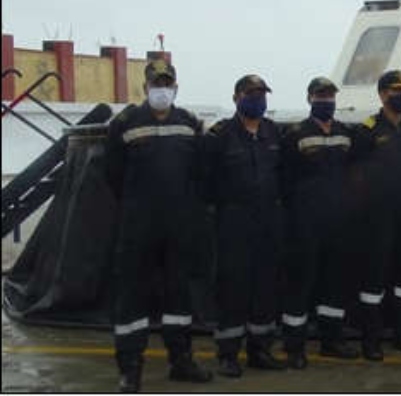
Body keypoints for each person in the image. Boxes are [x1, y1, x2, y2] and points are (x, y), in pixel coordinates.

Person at [105, 59, 212, 392]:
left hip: (179, 226)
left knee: (179, 295)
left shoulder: (190, 124)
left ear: (175, 88)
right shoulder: (123, 124)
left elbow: (199, 173)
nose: (161, 90)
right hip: (138, 226)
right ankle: (130, 369)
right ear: (145, 88)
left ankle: (180, 361)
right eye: (156, 84)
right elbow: (113, 174)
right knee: (131, 297)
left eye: (167, 84)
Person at [205, 74, 288, 377]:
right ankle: (228, 353)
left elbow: (283, 176)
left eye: (262, 94)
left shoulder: (273, 133)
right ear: (236, 98)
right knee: (233, 289)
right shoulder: (220, 135)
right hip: (234, 223)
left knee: (265, 287)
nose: (258, 99)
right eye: (251, 94)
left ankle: (260, 349)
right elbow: (206, 180)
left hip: (268, 221)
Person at [279, 77, 360, 368]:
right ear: (310, 98)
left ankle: (332, 340)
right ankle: (294, 347)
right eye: (321, 95)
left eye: (330, 95)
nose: (327, 100)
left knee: (334, 285)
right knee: (300, 286)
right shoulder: (296, 135)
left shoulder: (345, 133)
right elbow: (284, 182)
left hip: (338, 225)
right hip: (306, 226)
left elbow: (353, 175)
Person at [350, 70, 401, 360]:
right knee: (374, 279)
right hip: (377, 218)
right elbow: (355, 174)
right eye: (397, 91)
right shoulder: (368, 130)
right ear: (383, 94)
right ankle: (371, 341)